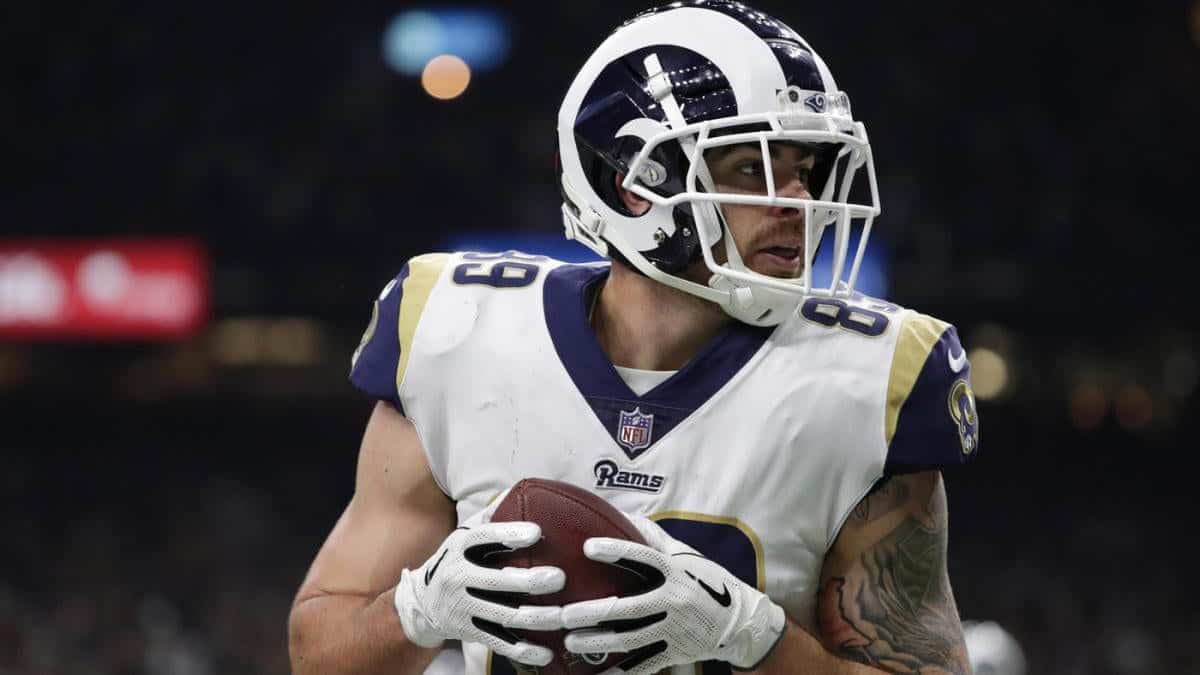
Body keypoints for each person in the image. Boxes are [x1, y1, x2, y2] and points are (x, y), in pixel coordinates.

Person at [287, 2, 981, 674]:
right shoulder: (457, 335)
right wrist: (420, 609)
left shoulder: (868, 379)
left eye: (803, 169)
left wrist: (751, 636)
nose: (797, 200)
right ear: (634, 185)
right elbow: (318, 652)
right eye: (752, 169)